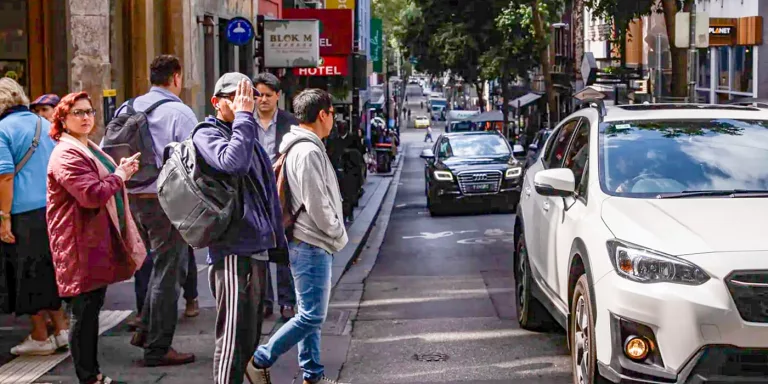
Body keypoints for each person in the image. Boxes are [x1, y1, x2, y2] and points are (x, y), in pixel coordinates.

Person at [247, 89, 349, 384]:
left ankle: (312, 374)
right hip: (310, 241)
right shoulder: (307, 151)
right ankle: (260, 359)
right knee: (312, 317)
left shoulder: (304, 146)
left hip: (307, 241)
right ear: (323, 115)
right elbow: (316, 203)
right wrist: (337, 233)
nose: (333, 120)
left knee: (309, 314)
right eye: (332, 114)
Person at [46, 91, 146, 384]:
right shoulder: (66, 153)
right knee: (84, 313)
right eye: (77, 112)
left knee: (90, 309)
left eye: (89, 111)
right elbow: (91, 195)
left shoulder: (84, 146)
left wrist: (118, 172)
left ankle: (92, 374)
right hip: (77, 242)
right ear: (63, 119)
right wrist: (120, 175)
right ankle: (88, 376)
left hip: (90, 240)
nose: (86, 117)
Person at [193, 73, 286, 384]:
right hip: (233, 248)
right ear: (217, 102)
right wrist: (245, 117)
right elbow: (234, 164)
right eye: (238, 97)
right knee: (232, 336)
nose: (248, 102)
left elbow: (265, 188)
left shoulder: (243, 131)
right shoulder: (208, 133)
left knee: (249, 335)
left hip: (254, 244)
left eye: (251, 95)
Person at [118, 54, 197, 366]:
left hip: (133, 198)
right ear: (176, 77)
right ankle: (158, 347)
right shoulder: (179, 111)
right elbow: (195, 160)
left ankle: (147, 329)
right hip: (166, 201)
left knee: (155, 267)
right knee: (168, 271)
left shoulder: (128, 107)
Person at [0, 78, 69, 356]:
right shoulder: (43, 123)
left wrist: (3, 217)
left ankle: (40, 336)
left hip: (22, 211)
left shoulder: (3, 129)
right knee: (47, 270)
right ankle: (62, 330)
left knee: (26, 275)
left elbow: (5, 177)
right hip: (51, 207)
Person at [251, 72, 298, 320]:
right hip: (255, 192)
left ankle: (286, 301)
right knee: (259, 249)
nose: (263, 100)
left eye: (268, 95)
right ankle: (264, 301)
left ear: (278, 96)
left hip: (282, 193)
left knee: (283, 248)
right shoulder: (245, 123)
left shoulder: (290, 123)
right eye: (259, 95)